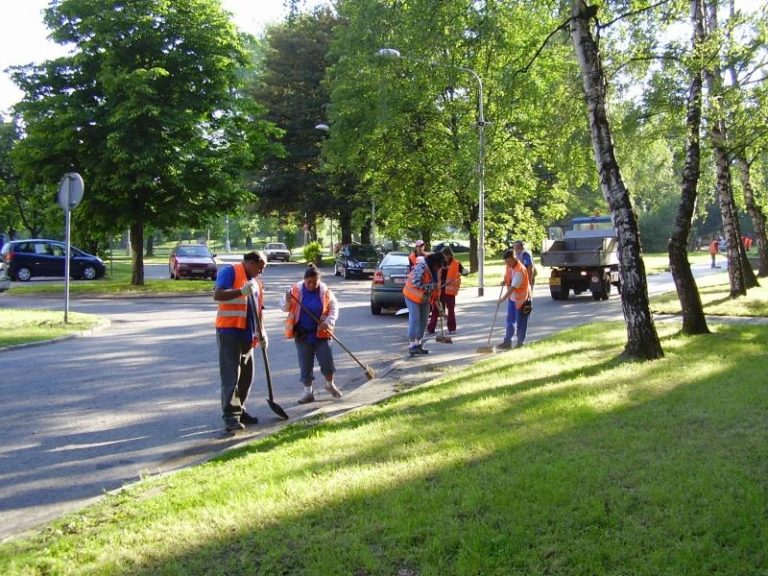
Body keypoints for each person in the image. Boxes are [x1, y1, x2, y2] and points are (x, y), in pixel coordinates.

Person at [213, 251, 267, 433]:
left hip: (248, 335)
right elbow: (218, 295)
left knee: (246, 376)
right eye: (260, 267)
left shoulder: (257, 283)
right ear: (251, 263)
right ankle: (230, 417)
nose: (261, 271)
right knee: (231, 377)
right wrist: (240, 291)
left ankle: (240, 409)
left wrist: (262, 332)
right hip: (229, 332)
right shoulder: (230, 271)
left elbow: (259, 310)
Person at [280, 264, 342, 404]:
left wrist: (328, 321)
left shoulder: (325, 291)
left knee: (327, 362)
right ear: (304, 280)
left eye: (315, 282)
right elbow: (284, 307)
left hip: (321, 333)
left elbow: (334, 308)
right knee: (305, 364)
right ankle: (308, 392)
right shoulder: (295, 290)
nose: (312, 285)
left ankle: (329, 385)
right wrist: (287, 299)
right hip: (302, 334)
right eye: (309, 282)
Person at [404, 252, 444, 355]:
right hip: (412, 296)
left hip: (424, 298)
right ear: (435, 263)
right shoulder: (421, 266)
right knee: (415, 318)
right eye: (438, 266)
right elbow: (416, 282)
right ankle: (412, 345)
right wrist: (430, 287)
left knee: (424, 320)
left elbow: (435, 286)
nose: (438, 269)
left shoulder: (434, 270)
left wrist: (436, 298)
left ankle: (418, 344)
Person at [427, 246, 467, 334]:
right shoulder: (441, 262)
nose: (446, 258)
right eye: (444, 256)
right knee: (436, 309)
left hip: (450, 291)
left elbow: (463, 271)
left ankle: (452, 328)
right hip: (440, 289)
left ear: (450, 255)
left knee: (451, 310)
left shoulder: (456, 263)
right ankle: (431, 328)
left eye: (447, 256)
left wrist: (465, 271)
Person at [498, 248, 531, 350]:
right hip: (513, 300)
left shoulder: (520, 270)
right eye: (506, 262)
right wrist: (504, 281)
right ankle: (507, 342)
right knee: (510, 321)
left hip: (523, 300)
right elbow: (508, 277)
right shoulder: (509, 266)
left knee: (521, 322)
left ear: (514, 258)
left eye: (509, 261)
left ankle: (521, 343)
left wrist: (503, 298)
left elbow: (513, 287)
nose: (507, 264)